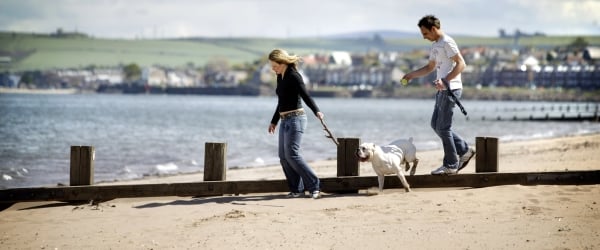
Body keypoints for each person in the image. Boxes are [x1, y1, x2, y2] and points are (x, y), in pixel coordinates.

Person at [401, 15, 475, 175]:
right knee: (436, 125)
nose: (424, 37)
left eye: (425, 33)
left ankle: (451, 165)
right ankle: (464, 150)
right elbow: (430, 67)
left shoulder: (447, 42)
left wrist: (446, 80)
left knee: (443, 127)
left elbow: (462, 63)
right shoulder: (435, 45)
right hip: (442, 89)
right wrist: (411, 75)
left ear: (433, 29)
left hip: (451, 88)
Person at [267, 49, 324, 198]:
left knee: (292, 154)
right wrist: (274, 121)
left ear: (282, 62)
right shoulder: (280, 76)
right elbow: (281, 102)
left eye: (274, 65)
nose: (273, 68)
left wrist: (316, 111)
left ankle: (314, 185)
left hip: (296, 119)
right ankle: (296, 190)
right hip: (285, 119)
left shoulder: (294, 76)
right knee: (283, 156)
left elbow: (305, 95)